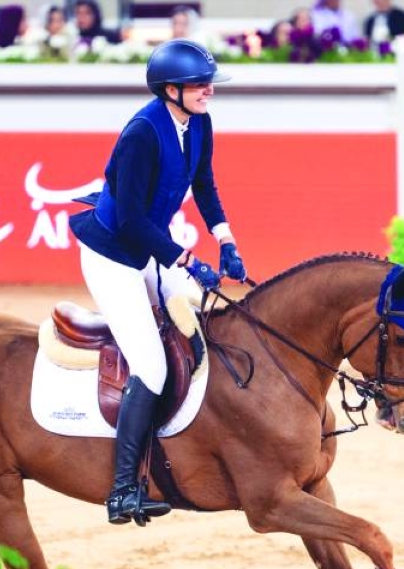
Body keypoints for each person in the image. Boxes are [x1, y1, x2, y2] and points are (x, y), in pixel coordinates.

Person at [68, 39, 245, 527]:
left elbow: (204, 184)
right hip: (113, 257)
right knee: (150, 363)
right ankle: (123, 490)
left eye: (209, 84)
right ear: (171, 90)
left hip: (148, 248)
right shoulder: (141, 135)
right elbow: (127, 221)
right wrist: (185, 258)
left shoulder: (199, 121)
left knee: (194, 323)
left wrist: (225, 240)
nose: (209, 91)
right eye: (199, 85)